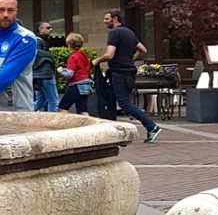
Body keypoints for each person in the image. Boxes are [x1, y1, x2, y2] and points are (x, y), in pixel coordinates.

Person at [94, 9, 161, 142]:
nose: (104, 21)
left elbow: (110, 54)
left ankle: (151, 126)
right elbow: (143, 50)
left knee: (124, 104)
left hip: (119, 72)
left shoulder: (114, 33)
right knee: (111, 99)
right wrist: (130, 59)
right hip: (129, 72)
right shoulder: (129, 32)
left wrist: (97, 60)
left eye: (107, 19)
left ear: (114, 19)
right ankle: (111, 131)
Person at [58, 33, 92, 114]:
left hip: (76, 85)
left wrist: (61, 70)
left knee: (63, 107)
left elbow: (70, 74)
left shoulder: (72, 57)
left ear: (69, 44)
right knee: (83, 110)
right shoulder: (84, 55)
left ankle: (64, 126)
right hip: (86, 84)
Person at [32, 23, 58, 113]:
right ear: (40, 29)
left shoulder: (41, 41)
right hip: (46, 75)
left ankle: (24, 114)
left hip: (41, 75)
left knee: (40, 101)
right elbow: (38, 55)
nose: (50, 29)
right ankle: (52, 123)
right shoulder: (37, 41)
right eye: (48, 28)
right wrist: (50, 58)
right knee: (53, 101)